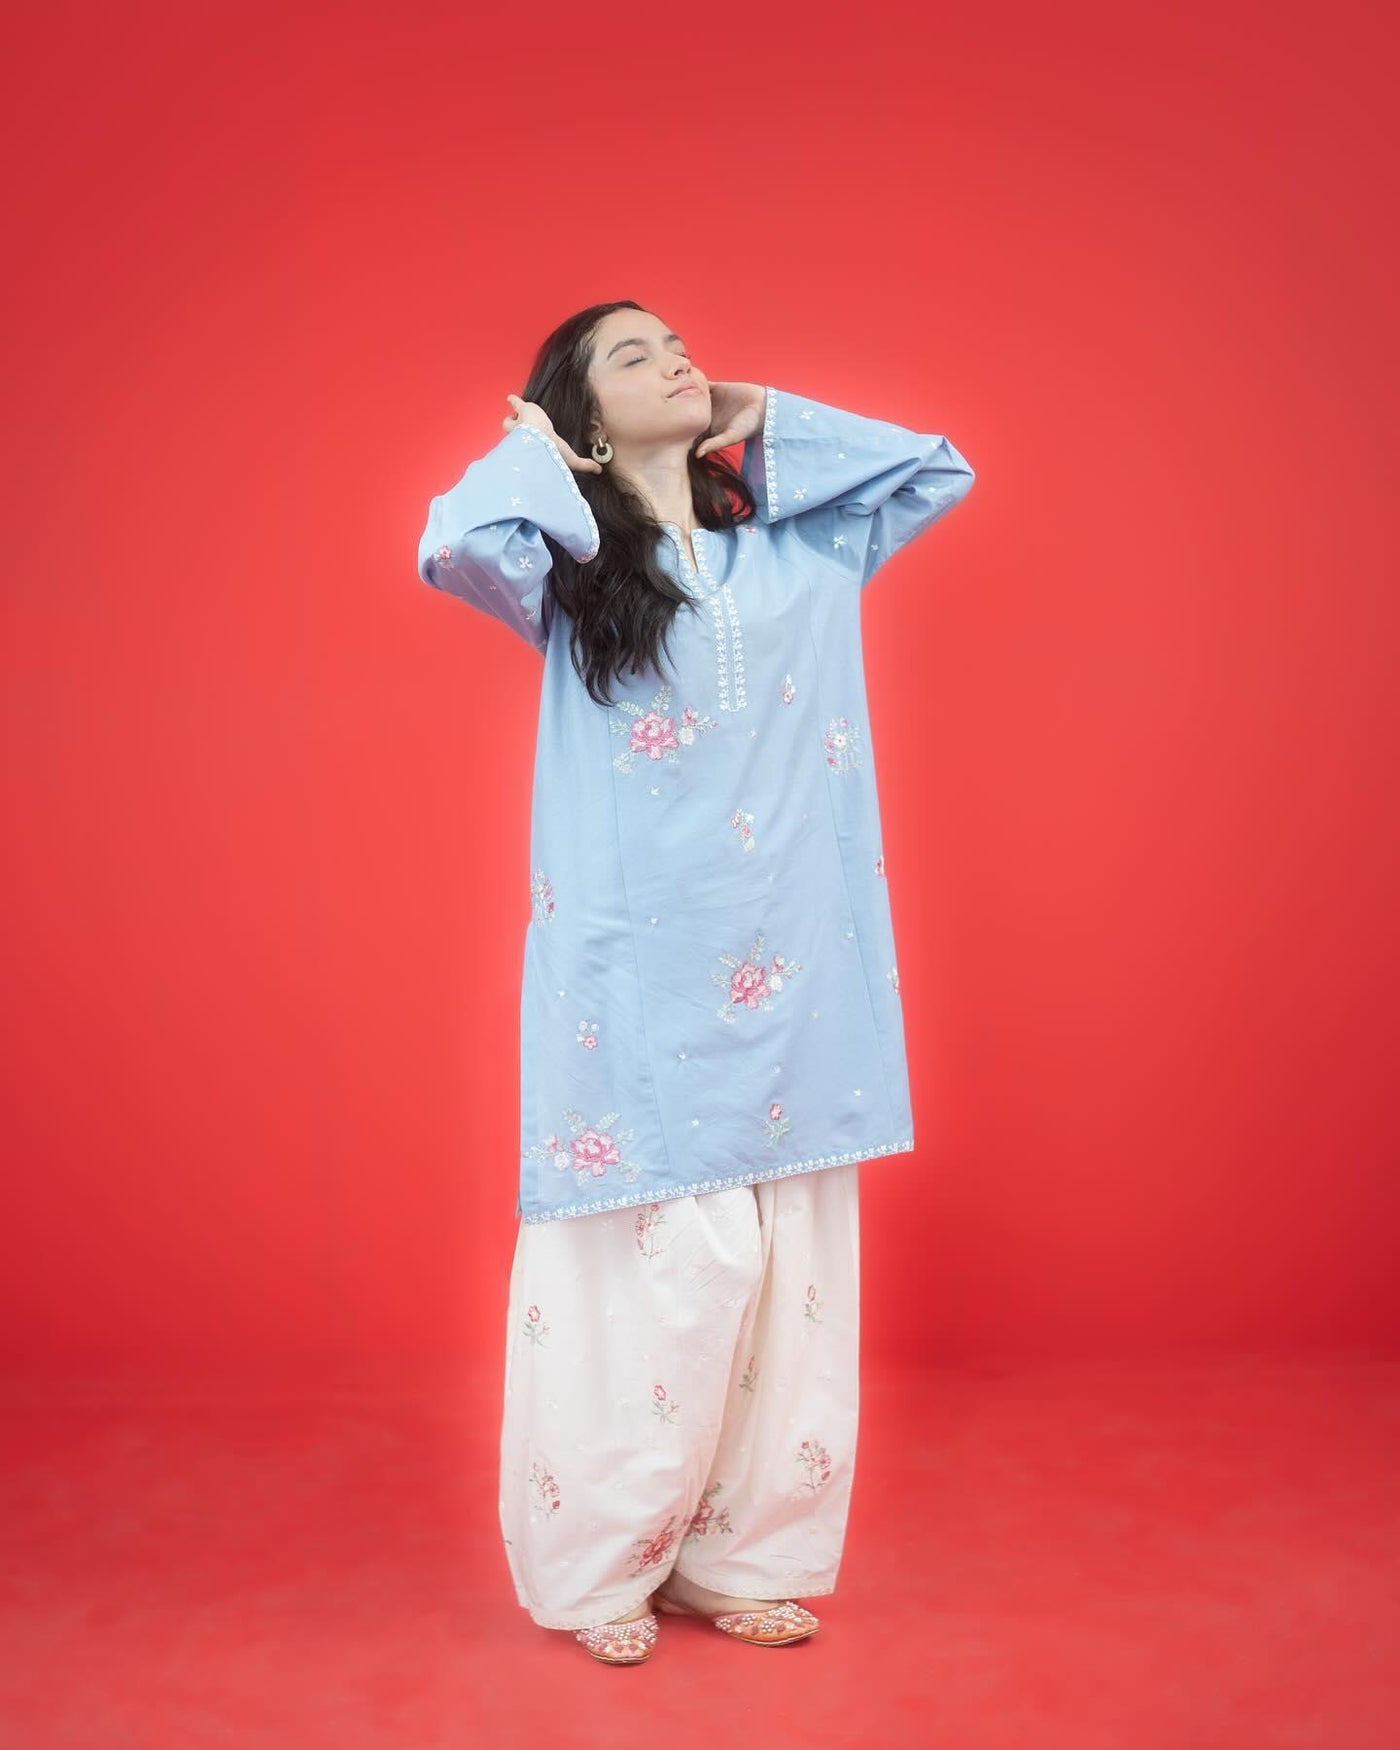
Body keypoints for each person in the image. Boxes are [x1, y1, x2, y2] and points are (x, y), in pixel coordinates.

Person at [415, 302, 975, 1663]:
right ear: (587, 422)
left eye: (678, 342)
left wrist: (761, 411)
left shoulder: (801, 550)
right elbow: (454, 543)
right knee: (662, 1273)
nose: (674, 358)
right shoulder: (567, 577)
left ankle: (740, 1562)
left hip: (799, 982)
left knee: (791, 1275)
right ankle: (605, 1563)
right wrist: (544, 465)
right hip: (639, 981)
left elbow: (935, 470)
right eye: (632, 354)